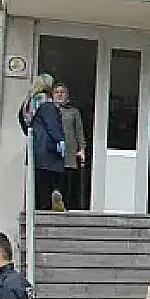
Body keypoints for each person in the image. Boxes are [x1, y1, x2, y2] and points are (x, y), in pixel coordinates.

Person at [17, 74, 66, 212]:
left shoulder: (28, 103)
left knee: (37, 186)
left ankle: (39, 209)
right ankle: (50, 206)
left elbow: (24, 124)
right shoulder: (47, 104)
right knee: (50, 183)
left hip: (35, 150)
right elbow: (52, 125)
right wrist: (60, 140)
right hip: (47, 152)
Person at [52, 83, 87, 211]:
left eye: (62, 92)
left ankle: (66, 207)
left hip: (69, 152)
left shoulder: (74, 112)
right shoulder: (49, 110)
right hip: (53, 152)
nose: (60, 95)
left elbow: (79, 131)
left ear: (67, 95)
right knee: (54, 181)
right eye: (57, 92)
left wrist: (82, 149)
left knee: (68, 181)